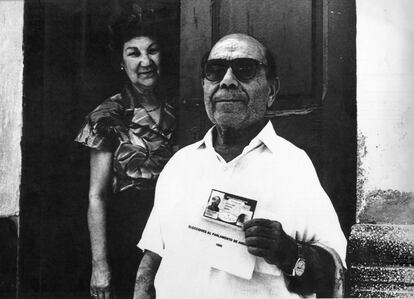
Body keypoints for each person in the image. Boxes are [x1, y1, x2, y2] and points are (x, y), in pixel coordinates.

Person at [133, 33, 346, 299]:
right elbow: (153, 257)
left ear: (271, 90)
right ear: (204, 86)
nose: (227, 81)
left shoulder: (293, 166)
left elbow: (333, 273)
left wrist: (288, 252)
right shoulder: (180, 164)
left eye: (245, 70)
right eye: (215, 71)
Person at [75, 8, 176, 299]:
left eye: (152, 51)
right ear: (121, 62)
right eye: (134, 53)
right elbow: (97, 195)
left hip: (176, 233)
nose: (145, 62)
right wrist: (100, 265)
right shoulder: (107, 116)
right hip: (128, 236)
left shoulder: (183, 109)